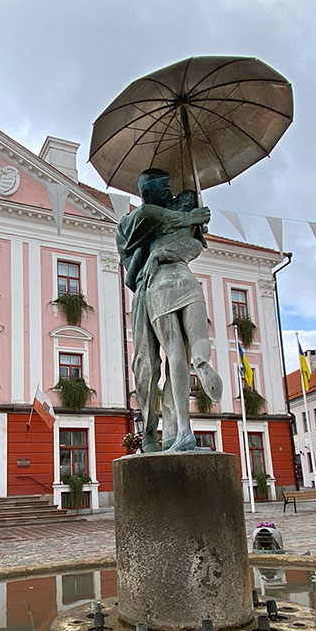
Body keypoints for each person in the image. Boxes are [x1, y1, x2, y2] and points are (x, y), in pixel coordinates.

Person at [117, 168, 224, 452]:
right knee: (149, 367)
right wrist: (190, 219)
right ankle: (153, 433)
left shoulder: (180, 206)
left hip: (160, 288)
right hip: (149, 291)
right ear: (147, 194)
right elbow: (150, 220)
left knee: (174, 355)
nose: (169, 194)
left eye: (169, 189)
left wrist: (191, 229)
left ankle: (173, 433)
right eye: (163, 190)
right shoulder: (131, 222)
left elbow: (194, 246)